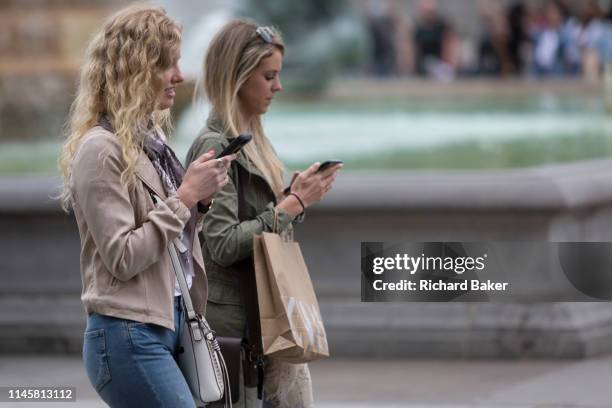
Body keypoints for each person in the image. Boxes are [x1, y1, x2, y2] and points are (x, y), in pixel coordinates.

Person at [58, 5, 235, 407]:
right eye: (166, 65)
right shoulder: (100, 150)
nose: (179, 76)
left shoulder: (148, 143)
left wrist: (198, 202)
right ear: (134, 70)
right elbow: (123, 256)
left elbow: (168, 244)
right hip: (127, 335)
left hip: (168, 322)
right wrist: (185, 197)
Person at [185, 19, 342, 408]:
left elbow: (253, 221)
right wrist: (292, 204)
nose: (278, 87)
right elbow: (221, 243)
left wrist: (293, 197)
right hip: (235, 327)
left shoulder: (252, 138)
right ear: (238, 77)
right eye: (269, 76)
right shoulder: (217, 146)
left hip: (259, 321)